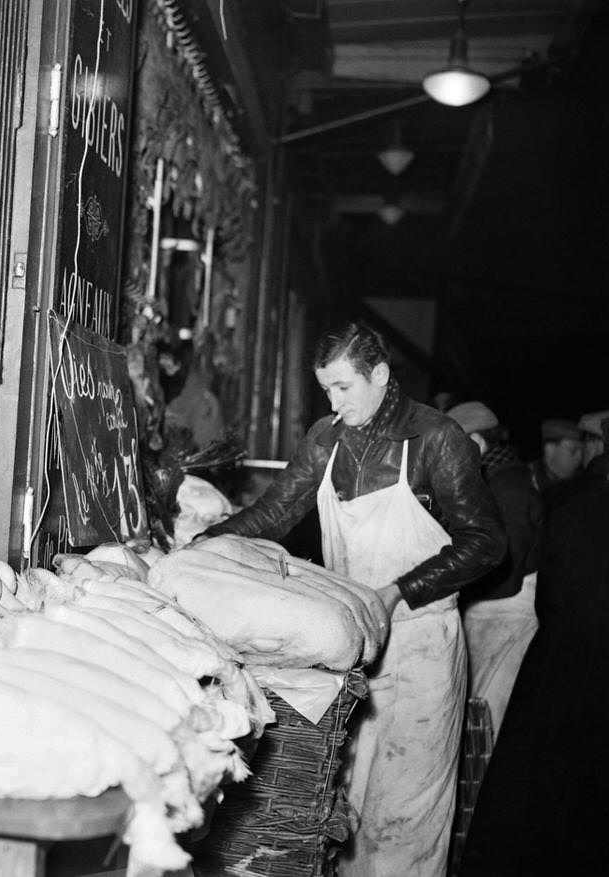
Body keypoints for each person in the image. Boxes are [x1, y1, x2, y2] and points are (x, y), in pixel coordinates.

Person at [201, 322, 505, 877]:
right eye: (327, 390)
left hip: (421, 647)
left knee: (407, 813)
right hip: (356, 650)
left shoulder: (437, 439)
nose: (334, 402)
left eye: (343, 387)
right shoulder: (327, 438)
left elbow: (486, 543)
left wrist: (399, 591)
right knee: (347, 805)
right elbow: (274, 511)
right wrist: (202, 546)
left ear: (381, 377)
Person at [459, 417, 609, 877]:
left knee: (540, 793)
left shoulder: (570, 498)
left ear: (600, 450)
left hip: (561, 661)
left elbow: (547, 591)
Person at [446, 401, 543, 742]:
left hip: (507, 622)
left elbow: (508, 570)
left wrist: (453, 589)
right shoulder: (494, 482)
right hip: (489, 618)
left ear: (478, 441)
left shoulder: (511, 489)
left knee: (489, 726)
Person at [527, 418, 583, 498]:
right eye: (573, 451)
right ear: (550, 449)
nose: (580, 458)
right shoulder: (523, 483)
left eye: (582, 452)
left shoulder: (583, 482)